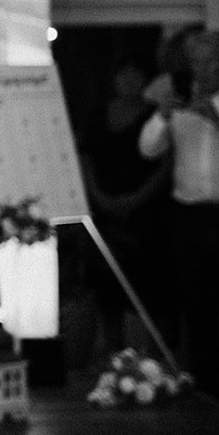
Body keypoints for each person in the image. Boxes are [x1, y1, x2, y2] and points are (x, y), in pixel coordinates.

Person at [139, 30, 219, 415]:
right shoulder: (179, 97)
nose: (202, 70)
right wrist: (162, 116)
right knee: (198, 307)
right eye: (196, 62)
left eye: (211, 62)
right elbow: (147, 149)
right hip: (189, 216)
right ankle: (208, 398)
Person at [82, 55, 170, 353]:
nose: (129, 80)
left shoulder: (156, 115)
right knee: (107, 289)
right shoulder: (98, 114)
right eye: (124, 74)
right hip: (104, 211)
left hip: (147, 214)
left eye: (136, 74)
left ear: (146, 80)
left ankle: (152, 358)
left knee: (149, 288)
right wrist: (97, 196)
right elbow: (87, 158)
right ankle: (114, 357)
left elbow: (166, 163)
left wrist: (138, 198)